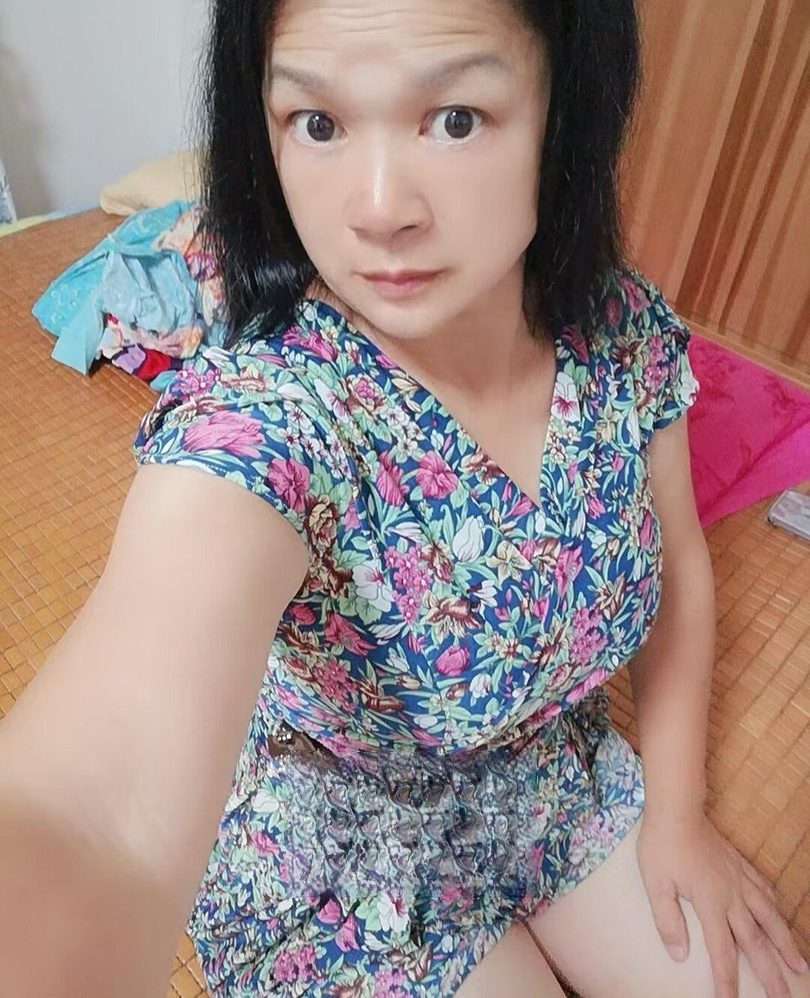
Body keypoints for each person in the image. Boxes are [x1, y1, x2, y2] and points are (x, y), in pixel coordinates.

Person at [1, 0, 808, 996]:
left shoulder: (622, 328)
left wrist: (679, 815)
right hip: (334, 850)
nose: (379, 208)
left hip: (546, 776)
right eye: (319, 123)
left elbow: (675, 565)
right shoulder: (271, 415)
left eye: (454, 119)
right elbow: (98, 812)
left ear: (564, 107)